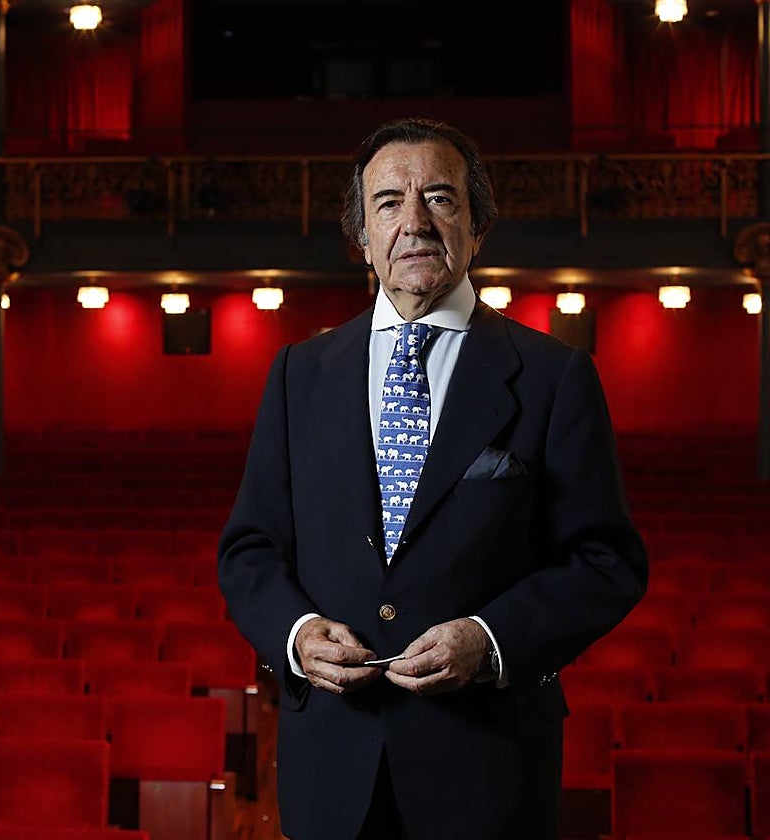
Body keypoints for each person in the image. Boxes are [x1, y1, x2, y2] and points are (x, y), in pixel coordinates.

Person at [217, 117, 647, 840]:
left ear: (478, 226)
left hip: (487, 769)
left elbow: (607, 562)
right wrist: (294, 634)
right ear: (361, 235)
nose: (413, 221)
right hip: (332, 764)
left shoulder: (554, 377)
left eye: (440, 198)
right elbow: (250, 549)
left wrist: (490, 638)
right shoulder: (299, 373)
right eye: (388, 202)